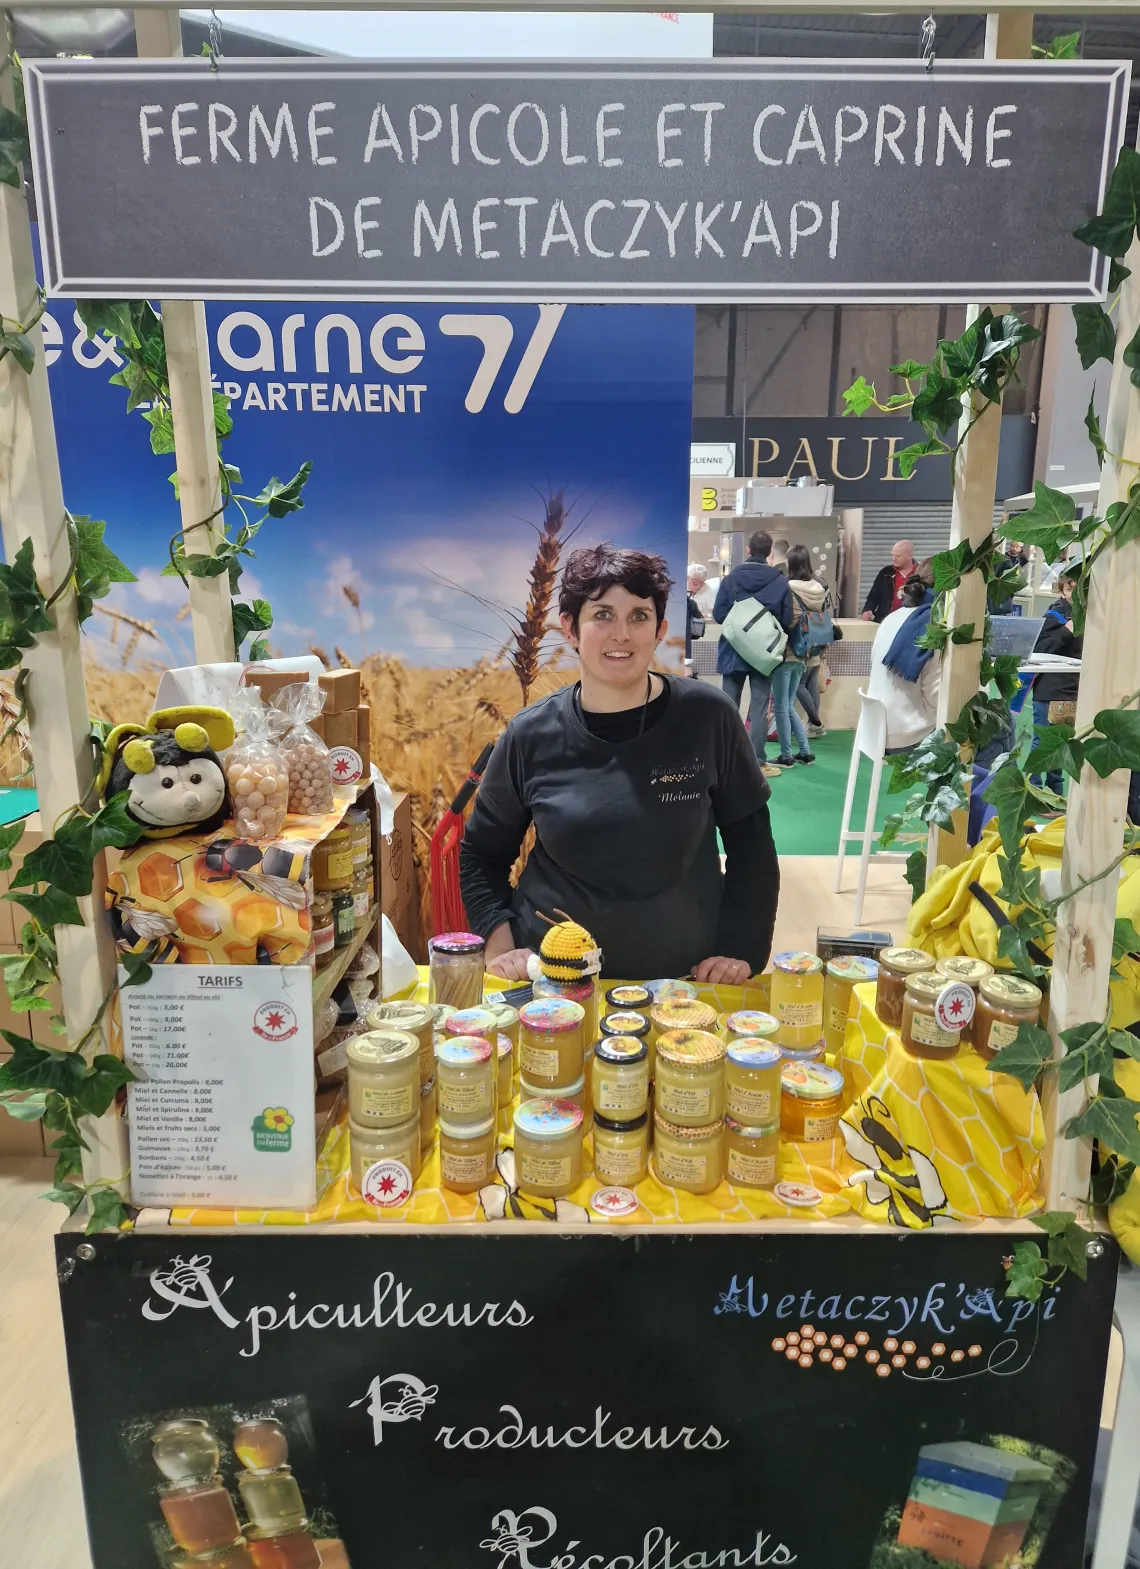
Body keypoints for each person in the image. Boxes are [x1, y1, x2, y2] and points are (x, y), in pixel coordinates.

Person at [459, 543, 780, 984]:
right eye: (603, 615)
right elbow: (481, 854)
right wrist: (500, 946)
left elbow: (752, 846)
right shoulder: (529, 735)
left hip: (685, 983)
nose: (621, 634)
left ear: (660, 629)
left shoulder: (709, 717)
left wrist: (741, 948)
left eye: (639, 616)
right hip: (554, 985)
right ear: (570, 628)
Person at [713, 529, 793, 780]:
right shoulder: (779, 581)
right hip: (764, 654)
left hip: (733, 650)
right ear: (769, 553)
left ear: (748, 550)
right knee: (759, 708)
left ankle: (724, 761)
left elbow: (719, 614)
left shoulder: (731, 578)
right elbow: (787, 619)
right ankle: (757, 761)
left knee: (728, 706)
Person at [866, 576, 941, 753]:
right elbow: (936, 697)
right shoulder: (933, 629)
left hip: (873, 728)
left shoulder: (890, 618)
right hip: (907, 735)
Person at [1030, 568, 1082, 796]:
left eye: (1079, 589)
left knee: (1061, 743)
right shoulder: (1054, 616)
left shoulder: (1090, 616)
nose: (1075, 594)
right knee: (1042, 742)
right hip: (1050, 690)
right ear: (1062, 592)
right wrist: (1066, 631)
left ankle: (1055, 793)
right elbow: (1039, 650)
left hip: (1073, 689)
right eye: (1070, 589)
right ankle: (1034, 791)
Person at [772, 544, 821, 769]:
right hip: (804, 652)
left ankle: (786, 755)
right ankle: (805, 751)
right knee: (789, 704)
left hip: (786, 651)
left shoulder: (788, 587)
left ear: (790, 563)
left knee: (781, 707)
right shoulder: (818, 589)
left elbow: (783, 618)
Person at [862, 538, 917, 622]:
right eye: (893, 555)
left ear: (909, 556)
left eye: (898, 556)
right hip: (885, 620)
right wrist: (868, 610)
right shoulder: (886, 573)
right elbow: (874, 596)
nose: (894, 558)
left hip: (910, 621)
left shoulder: (920, 573)